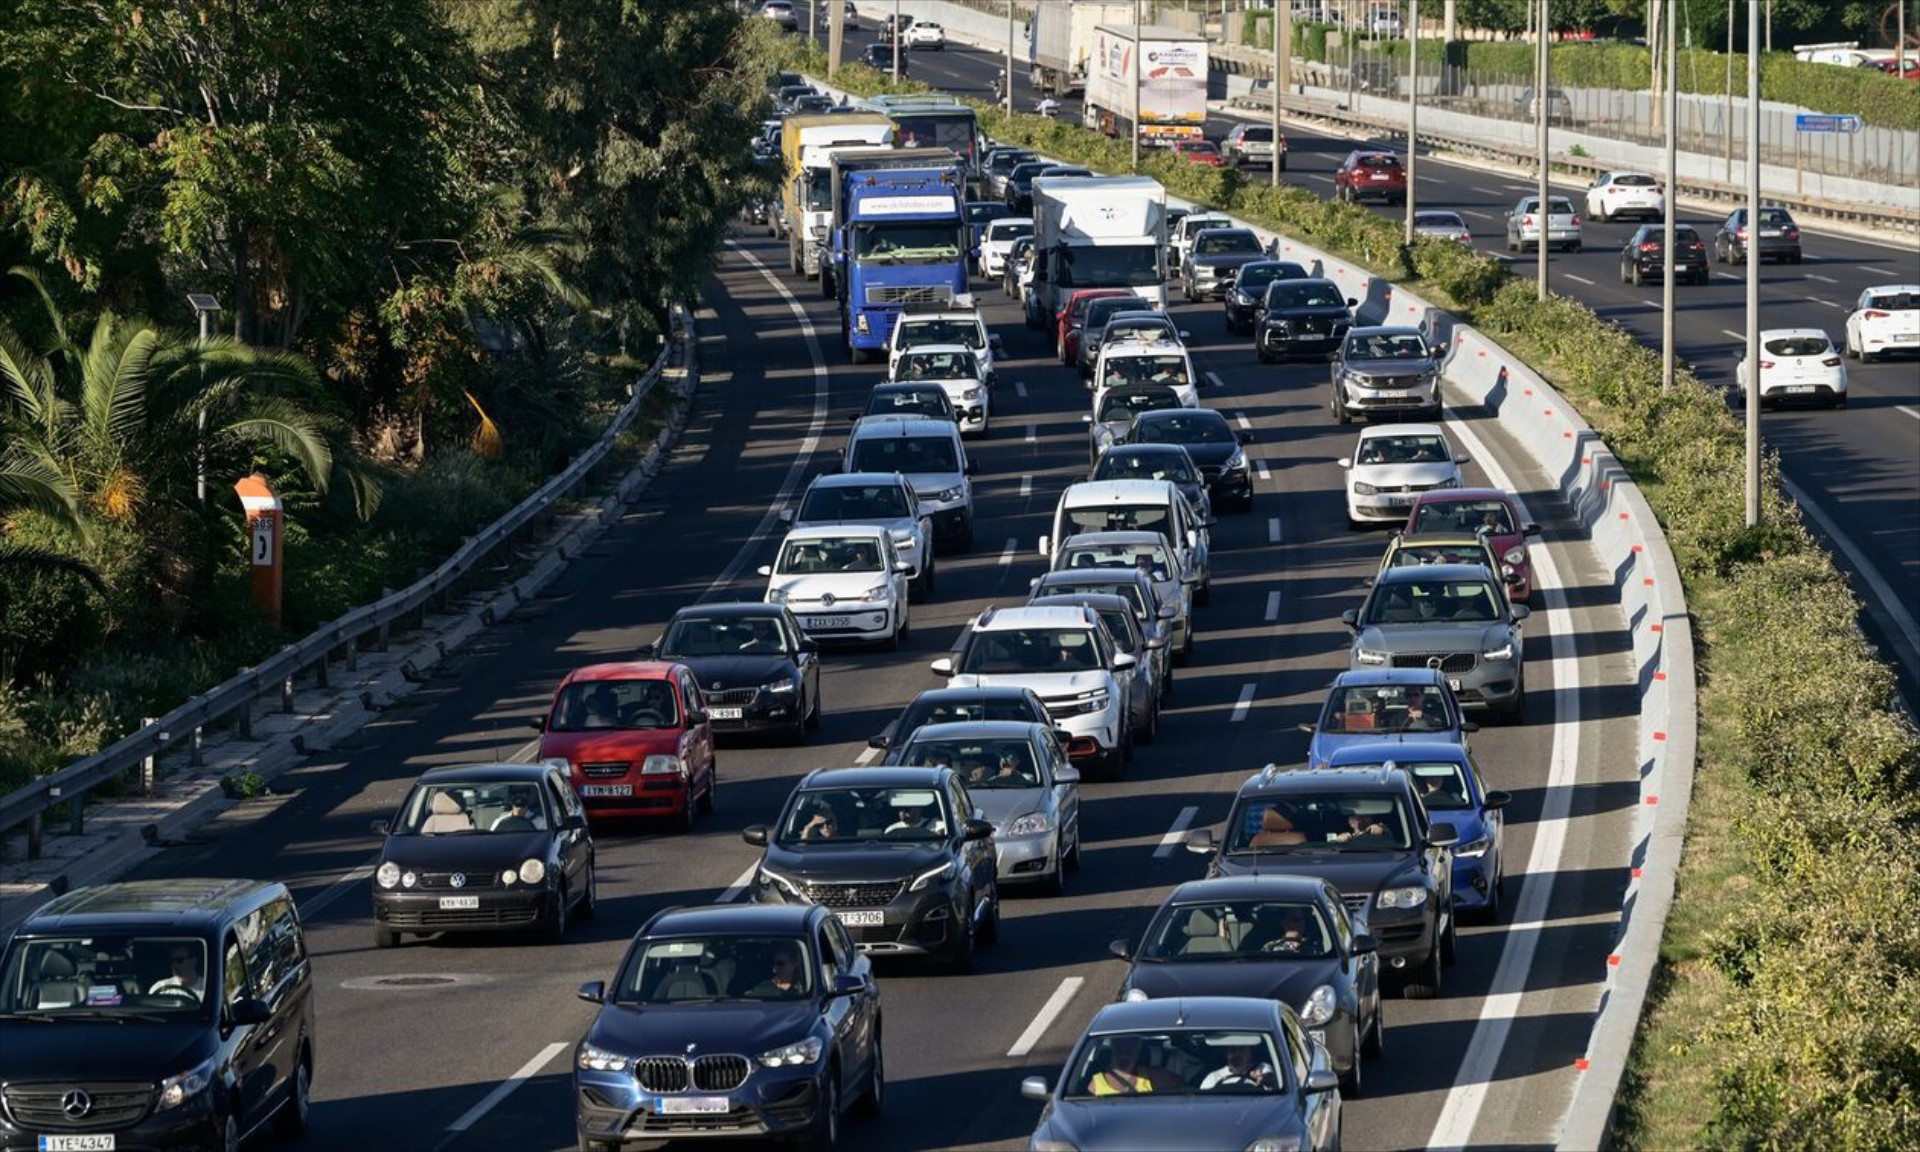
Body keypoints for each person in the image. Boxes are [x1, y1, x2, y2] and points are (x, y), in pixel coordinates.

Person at [1089, 1035, 1181, 1095]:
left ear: (1138, 1050)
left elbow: (1188, 1093)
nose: (1124, 1053)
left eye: (1129, 1049)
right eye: (1120, 1048)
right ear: (1113, 1047)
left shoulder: (1156, 1077)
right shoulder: (1095, 1085)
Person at [1200, 1042, 1276, 1091]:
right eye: (1233, 1050)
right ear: (1227, 1055)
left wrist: (1263, 1079)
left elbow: (1269, 1077)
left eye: (1242, 1049)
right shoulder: (1213, 1077)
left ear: (1251, 1054)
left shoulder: (1261, 1068)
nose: (1237, 1055)